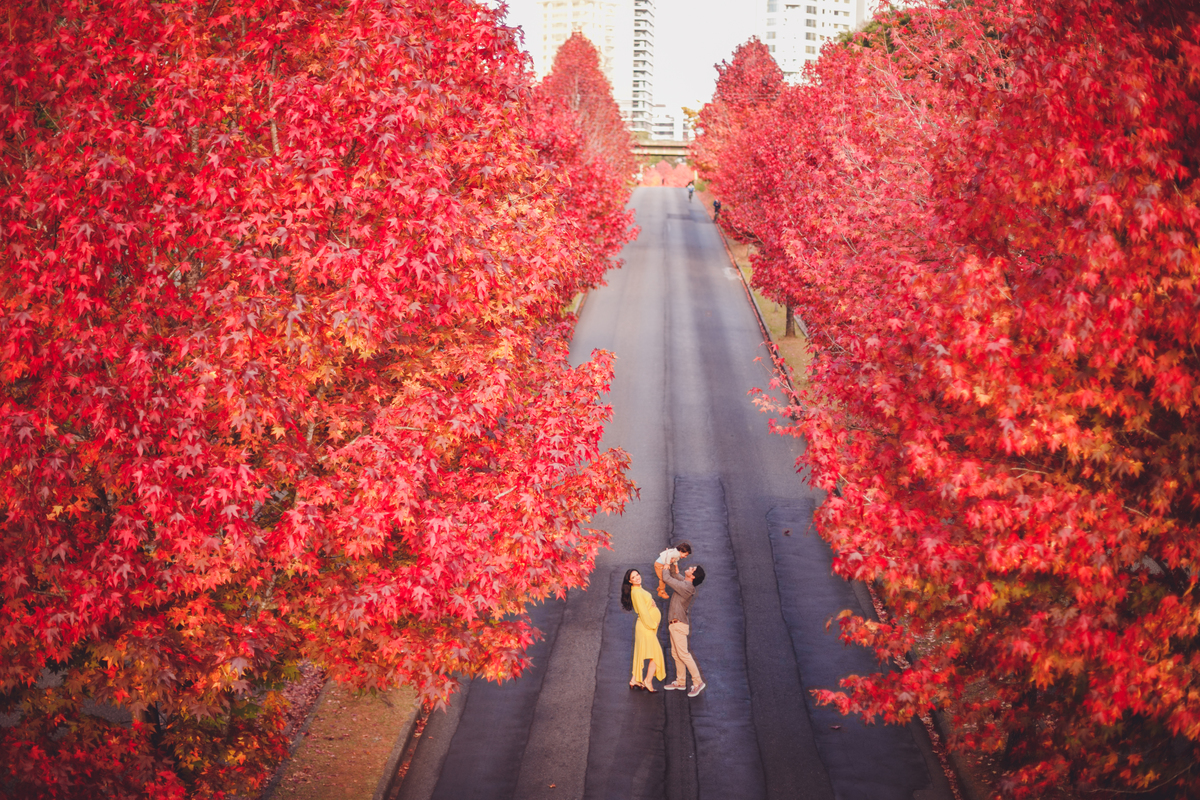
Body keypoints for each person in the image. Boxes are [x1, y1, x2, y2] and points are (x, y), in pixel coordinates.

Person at [662, 562, 706, 697]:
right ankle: (680, 682)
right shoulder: (685, 583)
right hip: (675, 624)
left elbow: (667, 579)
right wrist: (672, 565)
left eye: (692, 569)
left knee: (683, 654)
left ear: (692, 577)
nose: (690, 567)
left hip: (679, 625)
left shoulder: (687, 588)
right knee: (676, 654)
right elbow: (675, 576)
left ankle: (698, 682)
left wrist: (664, 568)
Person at [621, 568, 665, 692]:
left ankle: (634, 680)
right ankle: (648, 681)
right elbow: (643, 612)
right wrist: (653, 625)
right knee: (656, 655)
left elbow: (645, 604)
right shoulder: (636, 592)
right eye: (633, 577)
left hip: (645, 627)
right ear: (629, 581)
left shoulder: (638, 590)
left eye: (637, 575)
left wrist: (652, 601)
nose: (637, 578)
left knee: (640, 654)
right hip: (646, 627)